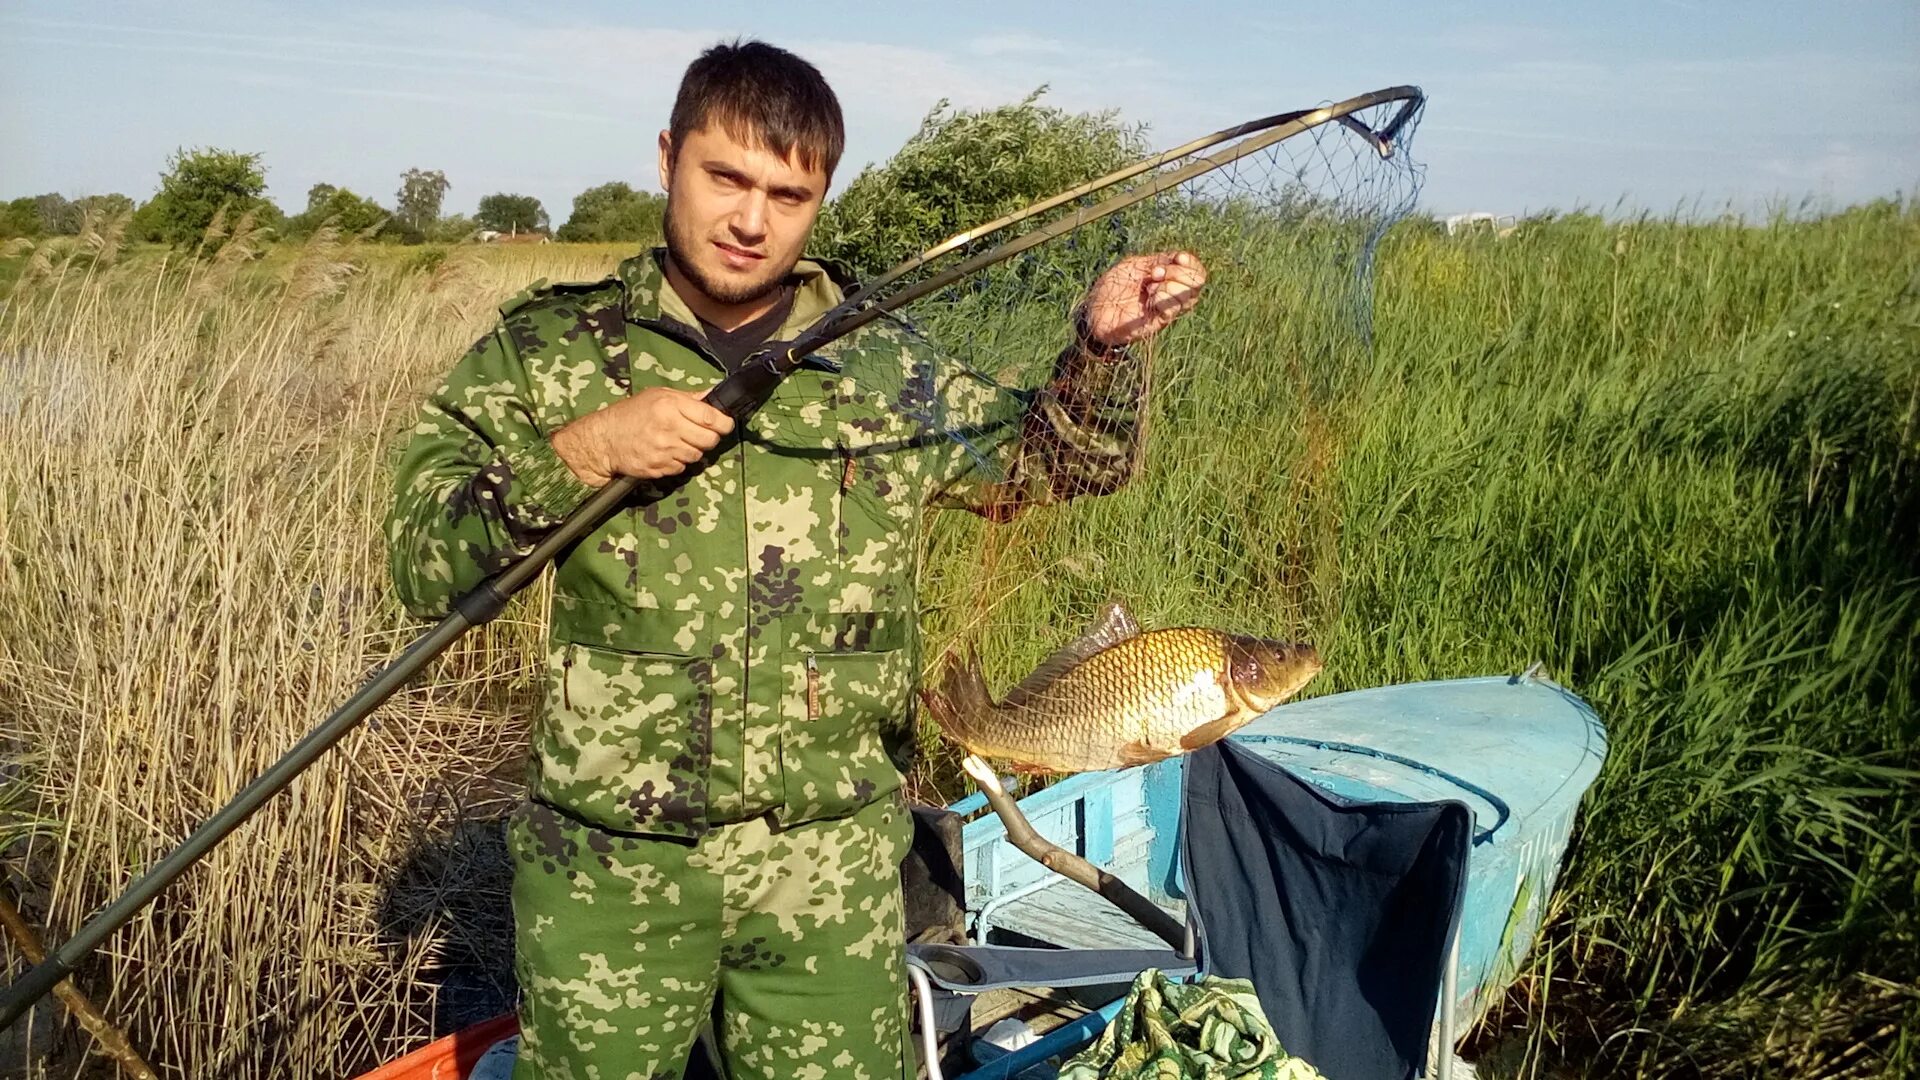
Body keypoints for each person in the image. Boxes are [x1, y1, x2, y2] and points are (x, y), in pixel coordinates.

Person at [386, 38, 1207, 1080]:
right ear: (667, 157)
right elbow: (422, 557)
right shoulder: (556, 352)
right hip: (612, 873)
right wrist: (582, 451)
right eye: (724, 176)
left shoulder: (881, 361)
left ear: (819, 199)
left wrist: (1098, 347)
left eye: (788, 193)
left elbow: (1040, 467)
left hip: (829, 869)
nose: (750, 219)